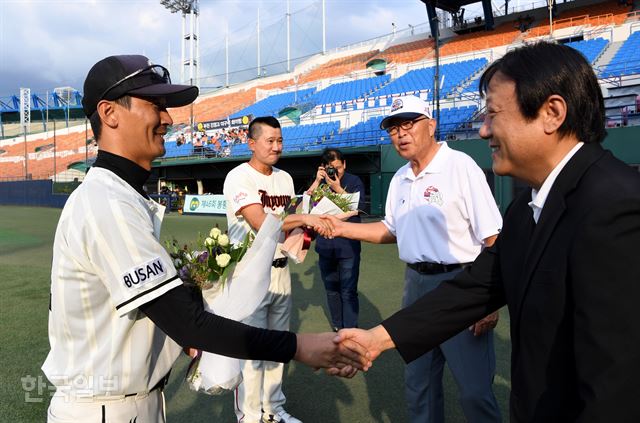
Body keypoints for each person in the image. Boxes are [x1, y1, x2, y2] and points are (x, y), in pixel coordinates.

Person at [41, 55, 366, 423]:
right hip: (104, 410)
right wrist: (300, 346)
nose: (167, 119)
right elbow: (187, 322)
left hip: (127, 403)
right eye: (155, 106)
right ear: (110, 113)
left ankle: (270, 408)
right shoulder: (108, 202)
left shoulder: (120, 197)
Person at [337, 42, 640, 422]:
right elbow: (477, 288)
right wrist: (376, 339)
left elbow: (616, 383)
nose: (483, 130)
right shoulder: (526, 207)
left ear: (552, 113)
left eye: (493, 113)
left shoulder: (616, 206)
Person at [328, 95, 503, 423]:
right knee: (419, 383)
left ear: (432, 125)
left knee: (474, 391)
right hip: (415, 285)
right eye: (393, 128)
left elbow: (492, 237)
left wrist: (490, 300)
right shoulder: (399, 179)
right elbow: (391, 230)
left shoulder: (460, 166)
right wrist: (341, 228)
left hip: (460, 284)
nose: (400, 133)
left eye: (408, 123)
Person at [223, 116, 335, 423]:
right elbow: (261, 224)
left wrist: (314, 221)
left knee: (279, 343)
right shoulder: (238, 176)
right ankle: (248, 415)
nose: (276, 147)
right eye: (270, 141)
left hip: (281, 270)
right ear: (252, 143)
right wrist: (305, 220)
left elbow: (288, 225)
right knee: (252, 349)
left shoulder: (284, 179)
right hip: (249, 272)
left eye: (280, 140)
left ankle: (273, 409)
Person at [306, 148, 365, 331]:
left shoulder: (354, 181)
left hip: (348, 247)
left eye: (338, 167)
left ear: (344, 164)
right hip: (325, 247)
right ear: (323, 168)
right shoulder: (321, 184)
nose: (335, 172)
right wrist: (317, 180)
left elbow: (357, 208)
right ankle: (338, 327)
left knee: (348, 291)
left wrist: (338, 188)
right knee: (332, 290)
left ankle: (351, 330)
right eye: (330, 168)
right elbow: (306, 205)